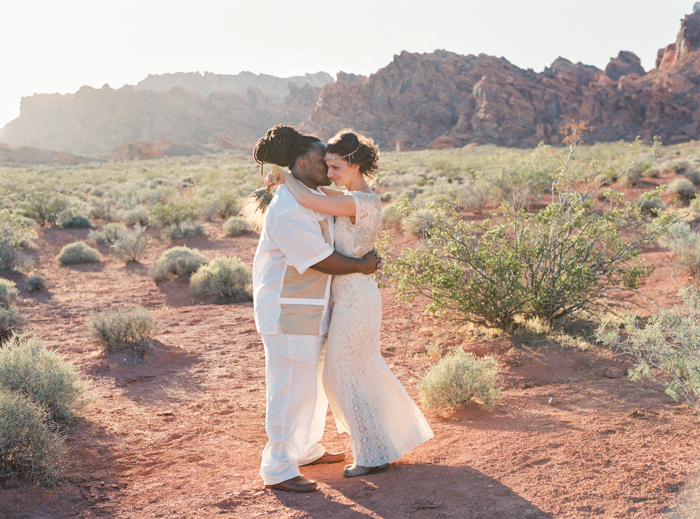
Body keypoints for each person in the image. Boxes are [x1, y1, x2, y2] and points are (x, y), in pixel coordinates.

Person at [268, 129, 433, 478]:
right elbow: (316, 193)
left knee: (339, 375)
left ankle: (371, 452)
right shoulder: (349, 195)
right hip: (347, 296)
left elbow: (311, 198)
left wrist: (285, 178)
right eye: (326, 166)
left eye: (335, 166)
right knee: (356, 370)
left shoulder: (358, 201)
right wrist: (286, 182)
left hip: (355, 296)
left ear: (355, 164)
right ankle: (378, 445)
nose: (329, 174)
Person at [252, 125, 381, 493]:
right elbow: (320, 259)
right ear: (303, 162)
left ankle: (305, 449)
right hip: (288, 311)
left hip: (312, 309)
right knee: (289, 388)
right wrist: (361, 266)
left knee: (311, 389)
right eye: (322, 160)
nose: (327, 164)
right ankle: (278, 468)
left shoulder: (308, 193)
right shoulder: (287, 207)